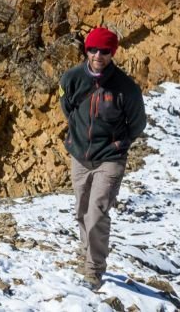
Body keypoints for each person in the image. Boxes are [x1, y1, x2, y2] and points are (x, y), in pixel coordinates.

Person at [59, 26, 146, 290]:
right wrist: (78, 138)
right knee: (81, 211)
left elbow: (138, 123)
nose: (98, 55)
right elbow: (68, 108)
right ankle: (87, 255)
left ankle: (94, 270)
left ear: (112, 53)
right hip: (80, 155)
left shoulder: (126, 88)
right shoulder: (71, 79)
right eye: (93, 49)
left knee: (96, 213)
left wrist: (118, 144)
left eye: (104, 51)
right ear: (87, 50)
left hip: (110, 158)